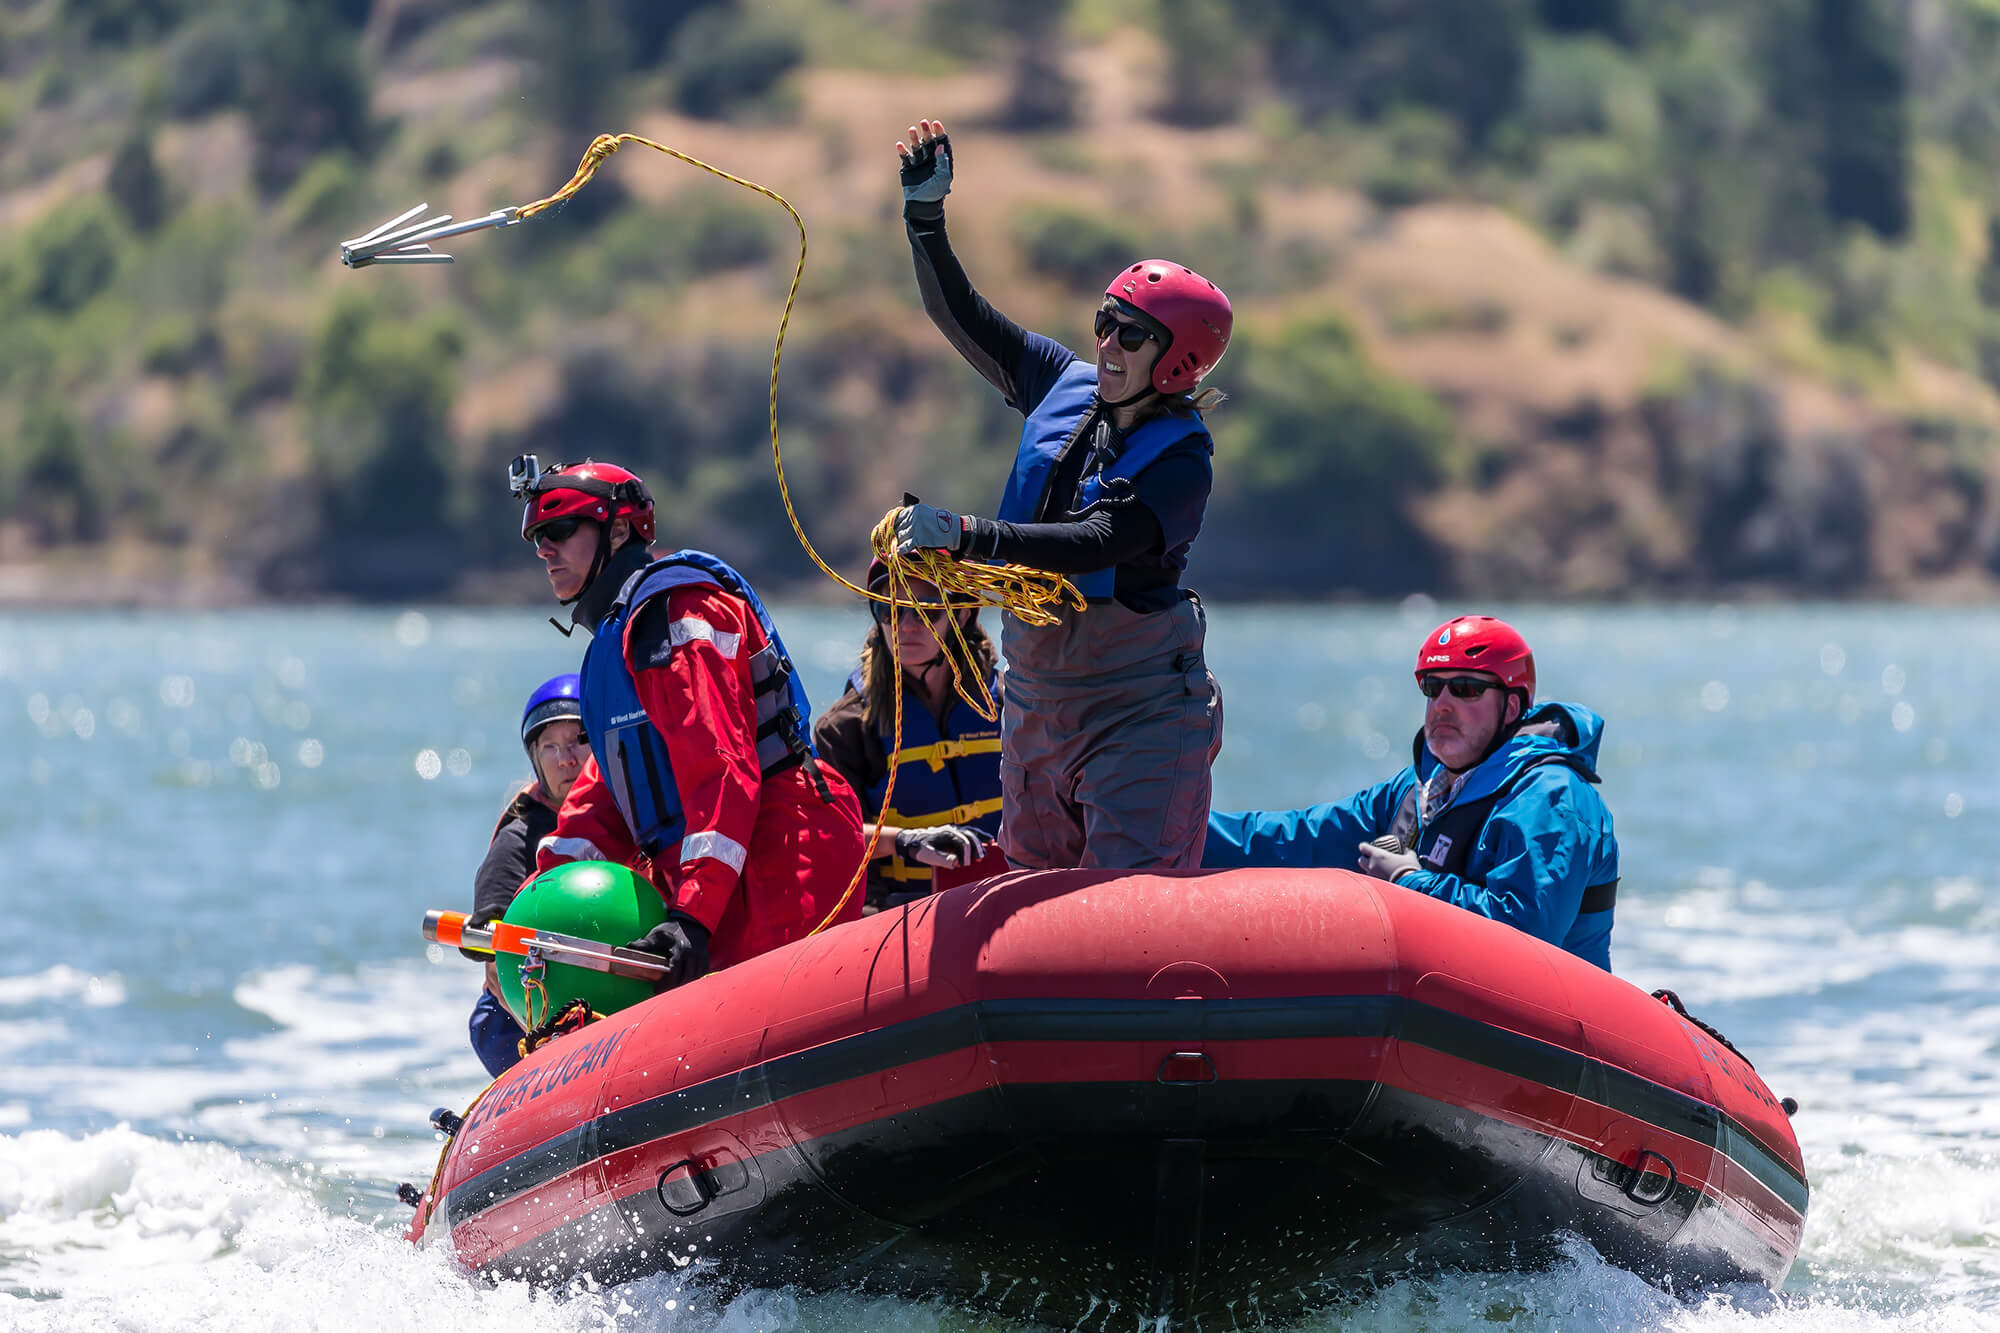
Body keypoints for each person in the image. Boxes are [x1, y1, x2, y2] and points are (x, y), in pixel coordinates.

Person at [888, 116, 1227, 872]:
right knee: (1034, 906)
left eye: (1131, 337)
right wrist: (925, 219)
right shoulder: (1058, 380)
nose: (1106, 345)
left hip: (1137, 710)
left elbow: (1096, 543)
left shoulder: (1183, 465)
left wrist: (968, 535)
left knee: (1123, 920)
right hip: (1037, 701)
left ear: (1178, 362)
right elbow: (962, 315)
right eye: (1105, 324)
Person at [511, 456, 867, 991]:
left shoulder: (675, 612)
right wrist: (532, 910)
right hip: (716, 875)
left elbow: (721, 767)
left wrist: (693, 917)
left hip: (781, 857)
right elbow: (610, 792)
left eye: (560, 530)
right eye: (538, 536)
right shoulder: (617, 641)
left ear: (621, 529)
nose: (544, 549)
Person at [1203, 616, 1619, 970]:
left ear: (1511, 708)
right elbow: (1294, 838)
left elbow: (1528, 932)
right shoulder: (1417, 790)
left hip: (1552, 1034)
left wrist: (1408, 879)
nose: (1442, 703)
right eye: (1431, 687)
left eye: (1466, 688)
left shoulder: (1551, 798)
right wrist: (1173, 828)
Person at [812, 557, 1007, 911]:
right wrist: (906, 840)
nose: (906, 627)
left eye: (925, 612)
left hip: (1005, 903)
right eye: (891, 611)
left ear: (961, 615)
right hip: (897, 914)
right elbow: (830, 837)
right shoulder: (845, 727)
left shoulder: (1012, 706)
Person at [465, 674, 590, 1077]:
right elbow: (485, 928)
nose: (566, 759)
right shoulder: (520, 834)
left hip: (598, 990)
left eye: (577, 742)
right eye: (550, 747)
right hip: (516, 1017)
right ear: (536, 759)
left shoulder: (634, 816)